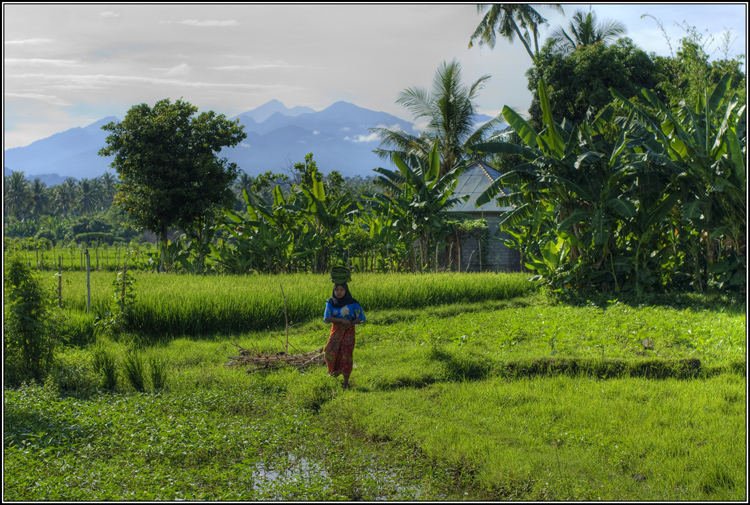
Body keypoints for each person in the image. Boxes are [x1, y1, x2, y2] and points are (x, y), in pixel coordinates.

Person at [323, 283, 365, 389]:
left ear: (346, 290)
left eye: (342, 289)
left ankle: (346, 381)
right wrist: (341, 320)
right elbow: (327, 318)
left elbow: (361, 317)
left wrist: (350, 323)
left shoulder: (352, 303)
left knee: (346, 353)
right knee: (330, 351)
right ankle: (333, 373)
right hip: (336, 329)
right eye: (337, 289)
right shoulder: (331, 302)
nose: (339, 292)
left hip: (349, 330)